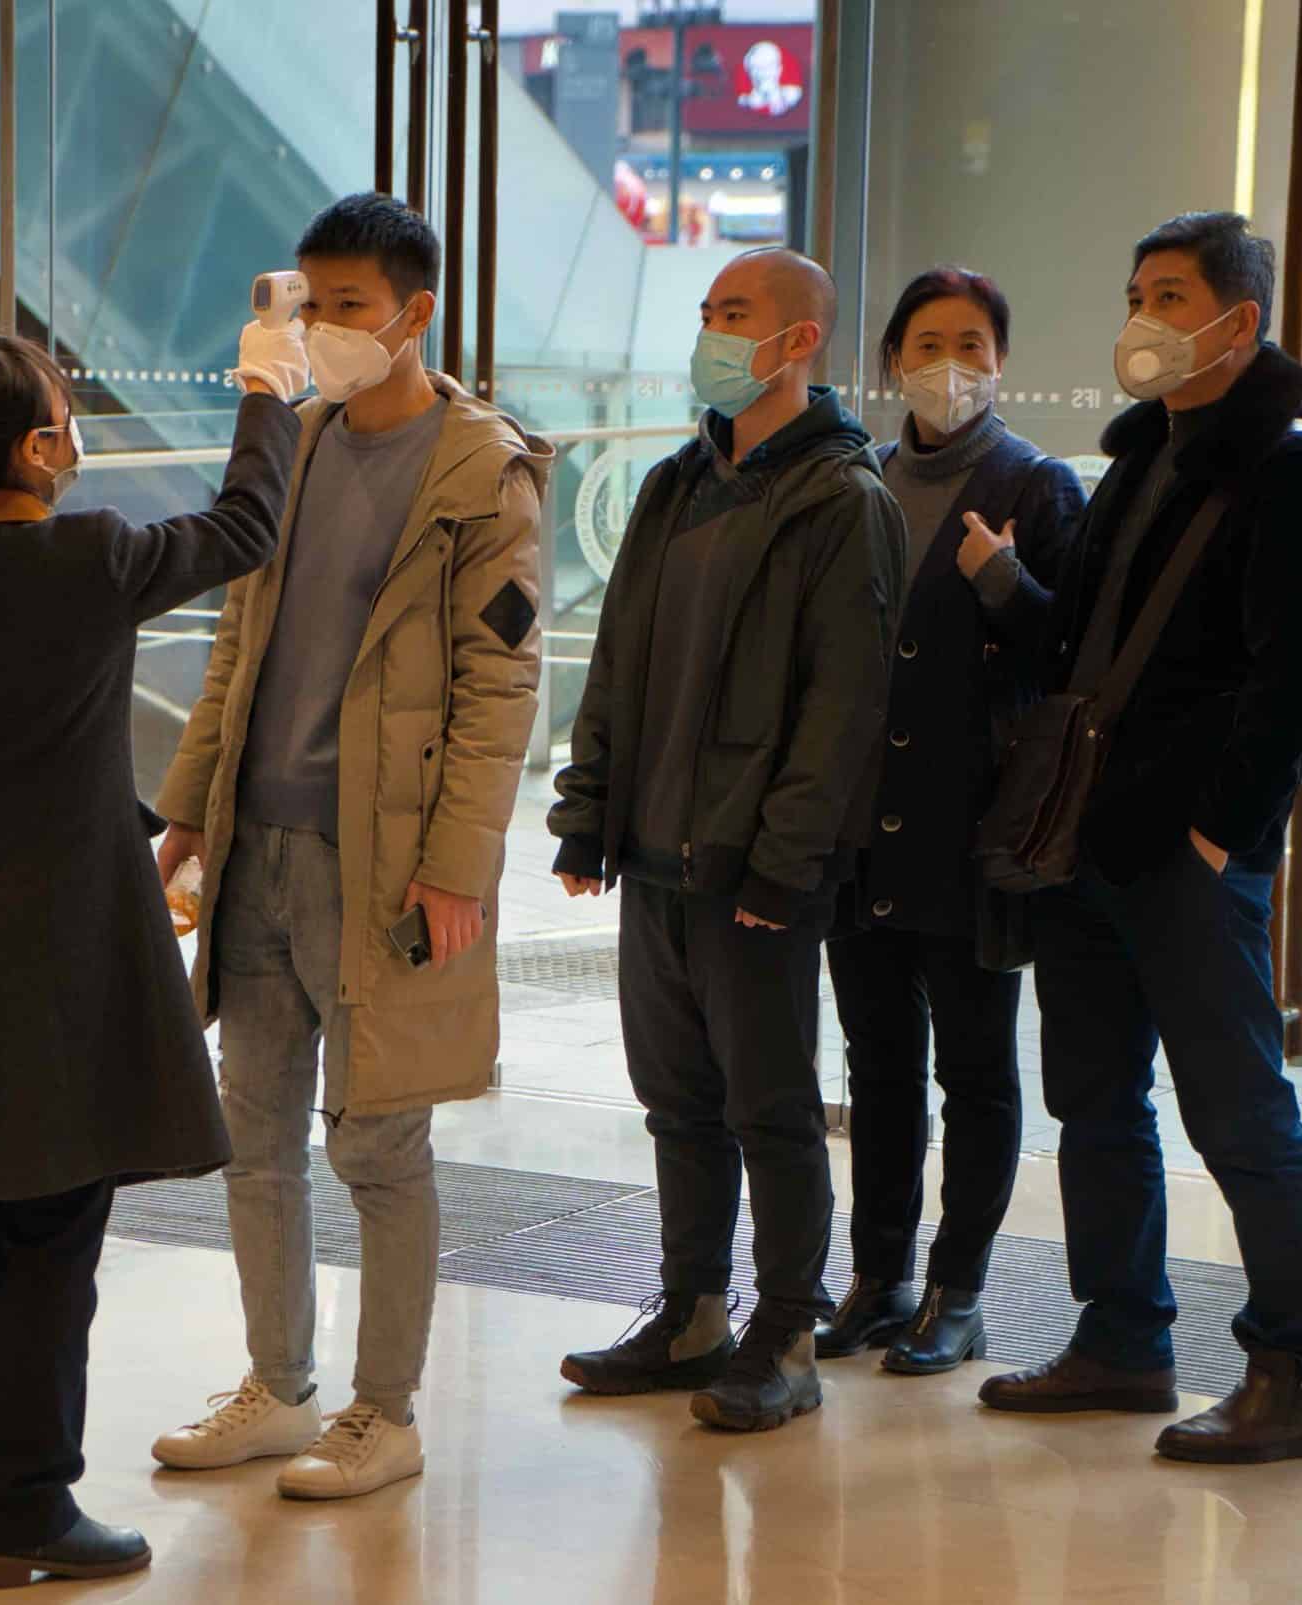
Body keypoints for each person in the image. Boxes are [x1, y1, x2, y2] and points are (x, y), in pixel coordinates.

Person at [0, 329, 305, 1586]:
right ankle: (27, 1514)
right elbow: (246, 525)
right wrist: (267, 393)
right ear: (34, 448)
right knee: (53, 1231)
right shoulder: (89, 558)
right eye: (61, 411)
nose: (74, 429)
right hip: (67, 946)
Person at [148, 193, 550, 1501]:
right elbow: (237, 639)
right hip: (260, 841)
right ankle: (281, 1383)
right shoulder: (299, 445)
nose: (321, 330)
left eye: (348, 307)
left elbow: (503, 685)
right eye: (307, 304)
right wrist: (191, 803)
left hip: (382, 861)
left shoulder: (483, 470)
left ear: (416, 313)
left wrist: (459, 866)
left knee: (378, 1145)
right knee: (252, 1129)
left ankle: (386, 1412)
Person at [977, 212, 1302, 1465]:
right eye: (1136, 291)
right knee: (1093, 1098)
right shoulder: (1142, 460)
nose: (1141, 317)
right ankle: (1123, 1337)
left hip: (1186, 851)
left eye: (1169, 294)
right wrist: (1002, 588)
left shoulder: (1300, 472)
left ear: (1237, 322)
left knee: (1237, 1109)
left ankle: (1295, 1371)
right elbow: (1084, 652)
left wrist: (1218, 833)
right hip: (1089, 838)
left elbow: (1301, 681)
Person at [550, 247, 908, 1433]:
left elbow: (841, 708)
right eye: (706, 313)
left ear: (798, 340)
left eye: (734, 314)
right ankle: (691, 1311)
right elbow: (615, 665)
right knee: (677, 1103)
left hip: (755, 871)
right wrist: (588, 816)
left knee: (770, 1106)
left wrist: (785, 864)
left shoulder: (843, 502)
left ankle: (787, 1334)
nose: (709, 332)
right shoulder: (673, 486)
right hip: (656, 856)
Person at [814, 268, 1084, 1375]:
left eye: (972, 343)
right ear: (889, 363)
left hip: (970, 830)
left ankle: (958, 1291)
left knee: (973, 1072)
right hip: (860, 827)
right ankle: (878, 1280)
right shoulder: (861, 478)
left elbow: (1073, 655)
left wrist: (1007, 585)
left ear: (1001, 360)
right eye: (928, 343)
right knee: (876, 1065)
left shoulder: (1038, 485)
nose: (949, 365)